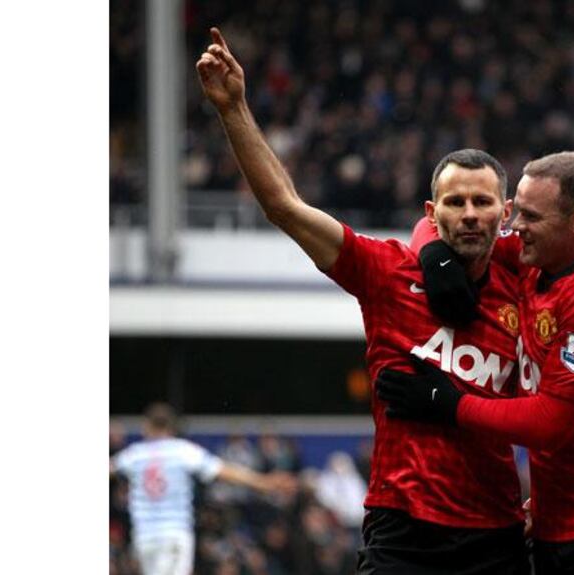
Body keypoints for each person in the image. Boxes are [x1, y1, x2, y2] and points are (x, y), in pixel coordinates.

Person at [196, 28, 530, 574]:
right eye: (455, 201)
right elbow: (286, 207)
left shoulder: (529, 291)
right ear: (432, 211)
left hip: (495, 531)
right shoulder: (386, 272)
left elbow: (553, 412)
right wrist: (234, 108)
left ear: (505, 211)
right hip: (400, 528)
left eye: (481, 201)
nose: (469, 213)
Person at [378, 151, 574, 574]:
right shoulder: (534, 259)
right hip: (556, 522)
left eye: (530, 216)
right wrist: (435, 258)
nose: (515, 225)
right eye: (517, 210)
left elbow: (548, 425)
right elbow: (441, 225)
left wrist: (448, 403)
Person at [109, 402, 295, 575]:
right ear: (172, 427)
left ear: (146, 426)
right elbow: (224, 471)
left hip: (145, 536)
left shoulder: (134, 454)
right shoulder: (183, 451)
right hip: (175, 533)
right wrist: (263, 482)